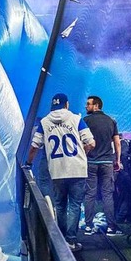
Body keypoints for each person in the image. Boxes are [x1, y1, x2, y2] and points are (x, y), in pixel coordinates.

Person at [26, 93, 96, 252]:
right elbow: (91, 142)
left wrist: (28, 163)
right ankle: (71, 241)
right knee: (75, 205)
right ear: (67, 105)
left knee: (60, 205)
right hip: (77, 169)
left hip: (57, 171)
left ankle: (61, 241)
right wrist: (82, 154)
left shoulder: (44, 122)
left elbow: (34, 146)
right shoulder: (77, 119)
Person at [83, 95, 122, 235]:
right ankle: (111, 227)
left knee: (90, 194)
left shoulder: (85, 121)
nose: (86, 106)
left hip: (91, 162)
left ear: (96, 106)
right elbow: (117, 143)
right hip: (107, 163)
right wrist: (118, 160)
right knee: (107, 194)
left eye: (88, 104)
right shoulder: (111, 121)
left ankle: (88, 226)